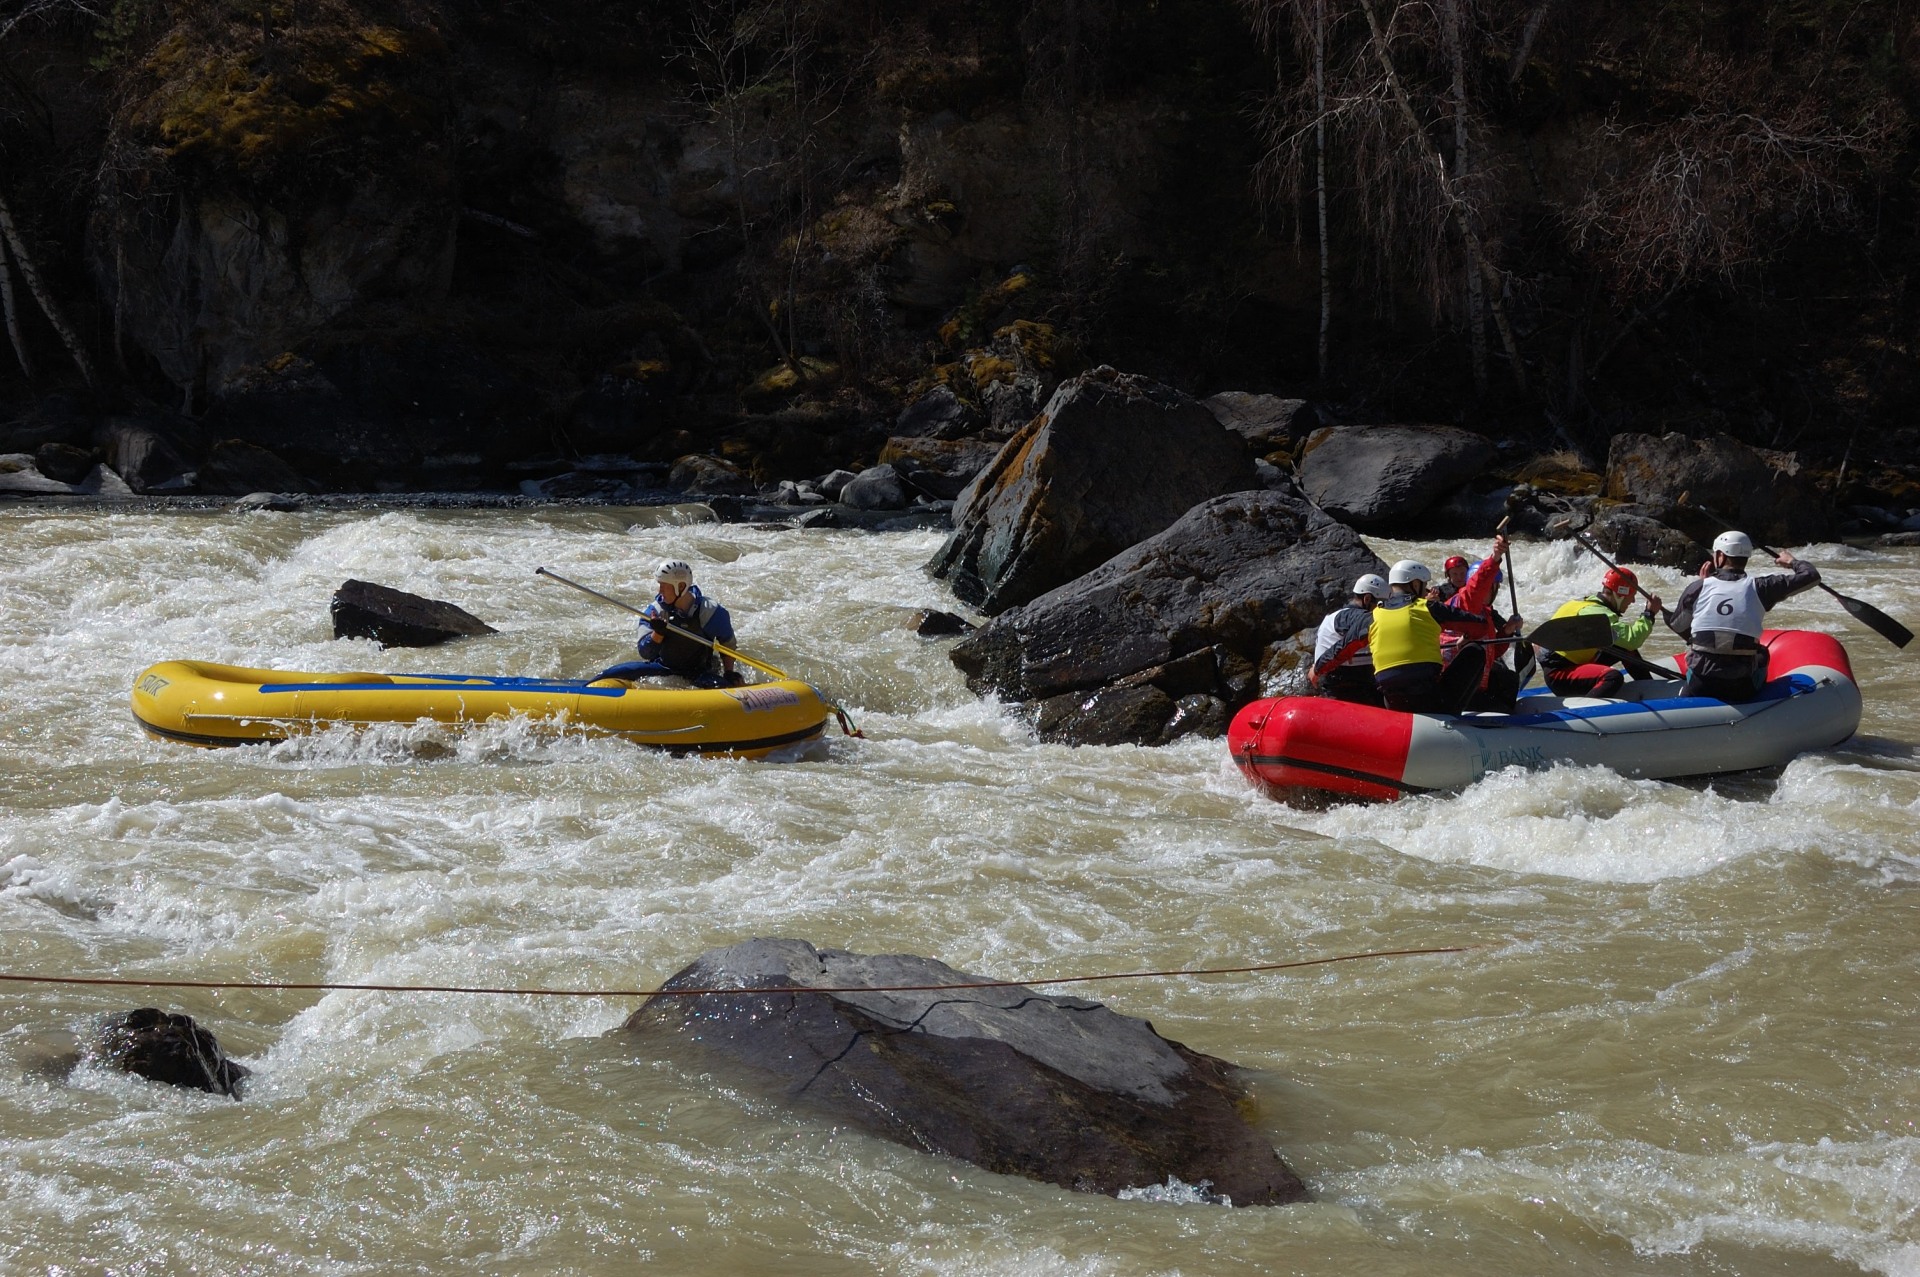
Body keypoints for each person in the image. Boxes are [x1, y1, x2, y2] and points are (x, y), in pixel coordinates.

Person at [1664, 530, 1820, 703]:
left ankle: (1686, 698)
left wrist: (1703, 587)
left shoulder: (1697, 588)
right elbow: (1811, 576)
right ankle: (1758, 705)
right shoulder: (1762, 587)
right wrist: (1791, 562)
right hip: (1741, 688)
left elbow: (1677, 624)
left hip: (1700, 684)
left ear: (1720, 556)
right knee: (1762, 653)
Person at [1369, 560, 1489, 713]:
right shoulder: (1429, 608)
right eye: (1424, 584)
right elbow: (1481, 626)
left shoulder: (1373, 615)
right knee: (1475, 650)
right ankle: (1453, 714)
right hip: (1429, 698)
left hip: (1392, 700)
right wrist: (1467, 636)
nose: (1425, 590)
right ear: (1415, 584)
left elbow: (1344, 648)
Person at [598, 560, 738, 685]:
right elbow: (645, 653)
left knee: (721, 684)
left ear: (680, 587)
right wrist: (657, 634)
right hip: (664, 667)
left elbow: (727, 644)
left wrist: (729, 672)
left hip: (699, 672)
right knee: (614, 673)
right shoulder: (655, 611)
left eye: (664, 586)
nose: (660, 591)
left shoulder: (709, 611)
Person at [1536, 566, 1663, 697]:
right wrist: (1649, 614)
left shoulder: (1583, 604)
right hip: (1559, 675)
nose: (1633, 601)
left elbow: (1628, 644)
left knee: (1625, 648)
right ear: (1620, 595)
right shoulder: (1599, 614)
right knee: (1612, 677)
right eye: (1632, 596)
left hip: (1569, 664)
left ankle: (1650, 688)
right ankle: (1587, 707)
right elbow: (1633, 639)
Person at [1435, 536, 1526, 712]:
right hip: (1456, 689)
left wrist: (1506, 631)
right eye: (1493, 586)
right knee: (1502, 703)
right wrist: (1496, 557)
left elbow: (1491, 652)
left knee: (1508, 679)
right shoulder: (1465, 602)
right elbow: (1478, 584)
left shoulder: (1484, 612)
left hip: (1470, 684)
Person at [1309, 574, 1389, 706]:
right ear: (1367, 599)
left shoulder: (1339, 616)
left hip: (1349, 679)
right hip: (1342, 683)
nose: (1384, 609)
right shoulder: (1348, 616)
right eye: (1381, 604)